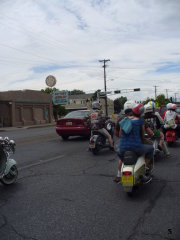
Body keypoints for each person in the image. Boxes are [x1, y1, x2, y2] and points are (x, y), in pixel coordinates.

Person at [114, 102, 153, 183]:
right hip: (136, 148)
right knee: (151, 149)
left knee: (120, 155)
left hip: (122, 149)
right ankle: (145, 170)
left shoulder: (123, 121)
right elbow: (142, 137)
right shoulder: (141, 121)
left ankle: (119, 174)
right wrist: (148, 141)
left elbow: (120, 135)